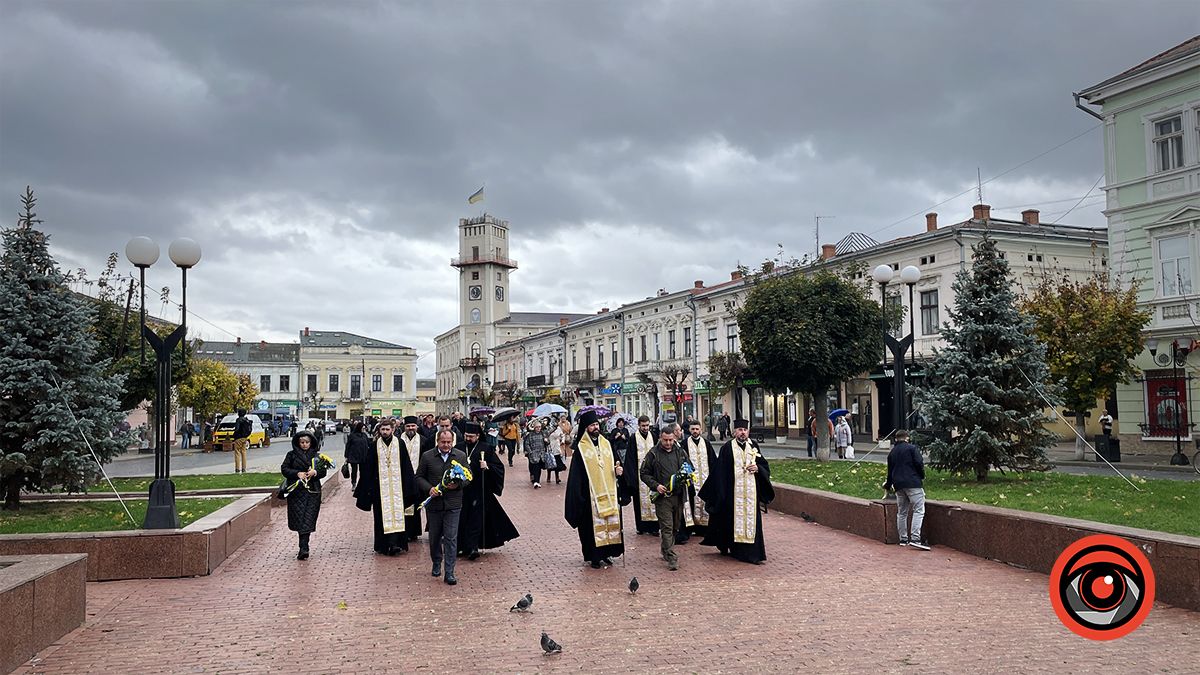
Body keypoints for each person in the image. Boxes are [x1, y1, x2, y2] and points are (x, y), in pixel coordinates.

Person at [698, 418, 774, 564]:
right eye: (740, 430)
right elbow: (720, 472)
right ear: (734, 432)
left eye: (745, 430)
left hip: (751, 493)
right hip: (733, 495)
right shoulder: (727, 447)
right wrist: (721, 494)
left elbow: (764, 465)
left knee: (751, 522)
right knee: (733, 522)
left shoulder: (754, 446)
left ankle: (753, 553)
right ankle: (737, 550)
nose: (743, 433)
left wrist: (759, 469)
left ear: (748, 431)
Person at [564, 410, 627, 569]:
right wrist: (580, 496)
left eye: (597, 424)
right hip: (590, 496)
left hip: (609, 493)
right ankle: (594, 557)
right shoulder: (581, 449)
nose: (595, 427)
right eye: (592, 425)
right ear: (586, 428)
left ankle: (607, 554)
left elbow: (616, 462)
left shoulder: (607, 443)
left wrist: (618, 469)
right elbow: (576, 476)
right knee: (591, 528)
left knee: (609, 524)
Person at [456, 422, 520, 559]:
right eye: (466, 436)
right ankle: (461, 546)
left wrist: (488, 466)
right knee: (461, 519)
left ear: (478, 436)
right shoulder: (459, 448)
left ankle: (473, 547)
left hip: (479, 490)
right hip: (461, 490)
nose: (468, 439)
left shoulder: (486, 448)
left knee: (475, 519)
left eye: (471, 436)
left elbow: (498, 467)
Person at [353, 419, 417, 556]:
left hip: (397, 488)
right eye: (383, 430)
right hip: (380, 489)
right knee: (381, 517)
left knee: (399, 514)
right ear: (379, 430)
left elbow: (406, 466)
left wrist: (410, 487)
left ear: (392, 430)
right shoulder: (374, 445)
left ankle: (396, 544)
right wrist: (367, 488)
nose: (385, 432)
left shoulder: (399, 443)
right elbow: (368, 468)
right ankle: (384, 545)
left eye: (388, 429)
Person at [416, 429, 470, 585]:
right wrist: (429, 488)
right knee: (434, 537)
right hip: (434, 505)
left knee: (451, 538)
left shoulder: (460, 456)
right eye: (443, 442)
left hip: (453, 504)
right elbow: (418, 477)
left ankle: (450, 572)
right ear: (437, 442)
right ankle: (436, 561)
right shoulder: (427, 456)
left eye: (448, 442)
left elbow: (468, 477)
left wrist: (458, 484)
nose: (446, 445)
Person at [640, 423, 691, 571]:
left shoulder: (680, 451)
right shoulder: (653, 454)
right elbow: (644, 473)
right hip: (663, 498)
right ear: (660, 439)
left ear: (674, 438)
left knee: (675, 527)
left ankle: (665, 548)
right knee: (667, 527)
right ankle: (671, 557)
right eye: (665, 440)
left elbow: (689, 467)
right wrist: (655, 485)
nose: (668, 443)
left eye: (670, 440)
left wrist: (686, 477)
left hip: (678, 495)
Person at [280, 430, 326, 560]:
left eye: (307, 442)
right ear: (298, 443)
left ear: (311, 443)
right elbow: (284, 469)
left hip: (312, 492)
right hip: (296, 492)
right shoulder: (291, 455)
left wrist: (315, 472)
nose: (304, 444)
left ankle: (304, 547)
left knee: (308, 519)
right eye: (302, 442)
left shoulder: (316, 456)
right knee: (300, 519)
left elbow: (323, 471)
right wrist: (297, 474)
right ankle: (303, 547)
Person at [884, 429, 928, 550]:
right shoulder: (912, 448)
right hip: (913, 483)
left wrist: (888, 485)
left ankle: (903, 539)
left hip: (898, 485)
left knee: (902, 512)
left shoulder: (892, 452)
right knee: (919, 510)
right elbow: (919, 463)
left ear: (896, 439)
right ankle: (915, 538)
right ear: (907, 438)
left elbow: (890, 472)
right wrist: (921, 475)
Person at [624, 415, 660, 536]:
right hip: (638, 477)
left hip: (652, 476)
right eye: (643, 426)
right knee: (639, 502)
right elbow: (629, 459)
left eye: (647, 425)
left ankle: (654, 527)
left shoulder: (654, 437)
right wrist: (632, 477)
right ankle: (641, 527)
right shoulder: (634, 438)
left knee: (654, 499)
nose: (645, 428)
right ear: (639, 425)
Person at [683, 420, 718, 540]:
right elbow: (682, 462)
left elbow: (713, 461)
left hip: (706, 479)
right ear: (689, 430)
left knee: (705, 501)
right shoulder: (684, 444)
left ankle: (704, 528)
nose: (695, 431)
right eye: (693, 429)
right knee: (692, 502)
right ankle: (693, 527)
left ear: (701, 430)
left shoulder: (706, 443)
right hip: (692, 481)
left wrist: (713, 478)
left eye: (697, 429)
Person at [343, 421, 371, 489]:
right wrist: (346, 456)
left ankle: (362, 483)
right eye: (363, 428)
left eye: (364, 428)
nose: (364, 430)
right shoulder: (352, 435)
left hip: (363, 456)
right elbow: (348, 446)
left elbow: (369, 444)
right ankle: (354, 483)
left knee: (363, 470)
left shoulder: (364, 435)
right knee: (354, 471)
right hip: (354, 456)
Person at [523, 419, 550, 488]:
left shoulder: (543, 433)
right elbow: (527, 444)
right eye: (537, 427)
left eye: (539, 427)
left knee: (539, 468)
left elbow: (547, 443)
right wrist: (530, 452)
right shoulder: (530, 435)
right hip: (534, 454)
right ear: (534, 428)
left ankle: (537, 481)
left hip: (541, 454)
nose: (538, 428)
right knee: (535, 467)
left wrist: (546, 441)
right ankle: (536, 481)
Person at [546, 418, 570, 484]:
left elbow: (562, 435)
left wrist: (562, 441)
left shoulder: (558, 428)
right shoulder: (548, 429)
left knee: (557, 463)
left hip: (557, 447)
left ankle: (557, 477)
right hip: (550, 447)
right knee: (550, 462)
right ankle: (548, 476)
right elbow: (545, 436)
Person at [232, 409, 252, 474]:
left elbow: (237, 429)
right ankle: (244, 468)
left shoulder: (238, 420)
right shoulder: (246, 420)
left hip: (238, 438)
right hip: (245, 438)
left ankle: (237, 469)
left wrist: (234, 434)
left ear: (239, 413)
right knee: (243, 453)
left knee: (237, 453)